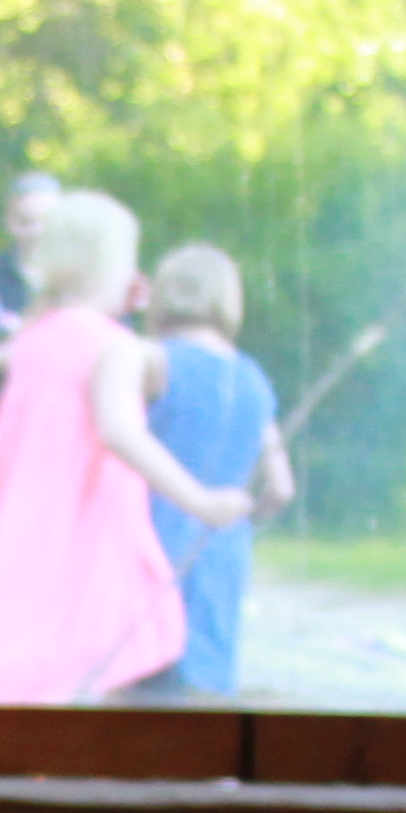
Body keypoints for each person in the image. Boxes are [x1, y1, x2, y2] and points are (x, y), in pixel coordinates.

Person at [0, 189, 246, 704]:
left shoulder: (35, 337)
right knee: (114, 640)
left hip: (28, 520)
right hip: (89, 521)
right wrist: (202, 501)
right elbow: (120, 431)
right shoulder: (112, 345)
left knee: (22, 650)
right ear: (113, 265)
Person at [130, 241, 296, 700]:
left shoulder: (151, 362)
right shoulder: (252, 377)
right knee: (204, 689)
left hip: (151, 536)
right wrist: (243, 517)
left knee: (140, 684)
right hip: (223, 546)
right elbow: (281, 487)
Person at [0, 167, 59, 316]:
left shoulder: (80, 280)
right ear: (8, 221)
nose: (37, 231)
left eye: (47, 221)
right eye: (26, 222)